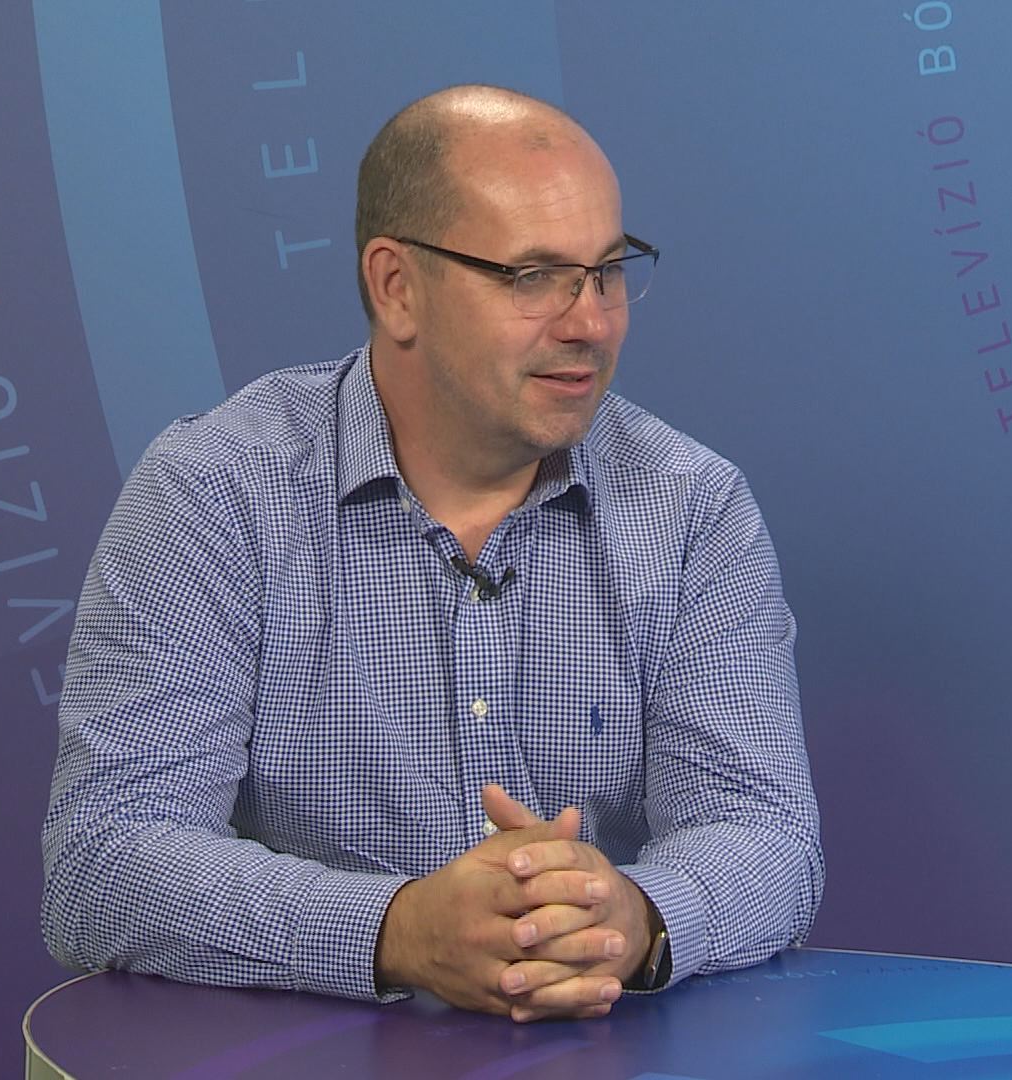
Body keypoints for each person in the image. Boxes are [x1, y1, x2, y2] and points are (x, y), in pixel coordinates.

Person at [40, 85, 822, 1023]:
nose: (591, 322)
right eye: (534, 276)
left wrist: (631, 916)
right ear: (396, 287)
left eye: (608, 271)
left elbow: (767, 836)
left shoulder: (693, 506)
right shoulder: (216, 492)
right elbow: (105, 855)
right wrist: (398, 930)